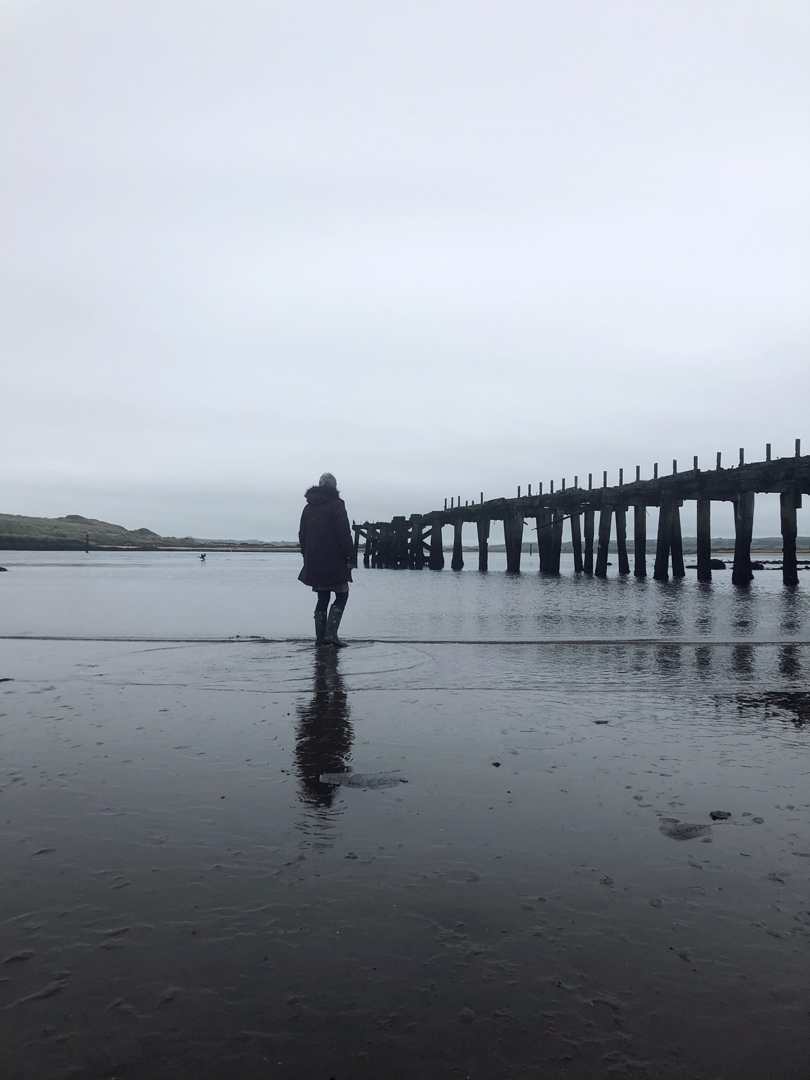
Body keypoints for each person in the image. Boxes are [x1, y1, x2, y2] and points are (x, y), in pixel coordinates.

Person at [298, 472, 356, 647]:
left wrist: (306, 556)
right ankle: (331, 635)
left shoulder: (308, 507)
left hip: (315, 559)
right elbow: (344, 533)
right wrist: (351, 557)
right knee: (342, 594)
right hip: (335, 560)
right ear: (334, 486)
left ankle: (320, 639)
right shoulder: (336, 505)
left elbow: (302, 535)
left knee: (322, 597)